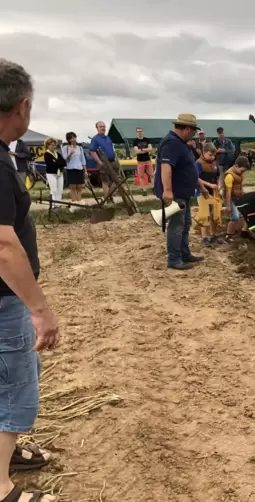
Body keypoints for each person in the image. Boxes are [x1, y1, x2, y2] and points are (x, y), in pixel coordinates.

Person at [0, 58, 60, 502]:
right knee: (17, 382)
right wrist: (41, 310)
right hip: (3, 300)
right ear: (21, 107)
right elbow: (3, 247)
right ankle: (2, 488)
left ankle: (5, 453)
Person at [153, 113, 207, 270]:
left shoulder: (181, 143)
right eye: (194, 131)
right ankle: (174, 259)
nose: (194, 135)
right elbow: (166, 167)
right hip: (175, 193)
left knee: (185, 224)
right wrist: (168, 190)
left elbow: (188, 169)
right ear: (188, 129)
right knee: (176, 225)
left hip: (184, 192)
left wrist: (201, 187)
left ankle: (184, 254)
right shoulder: (172, 143)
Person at [194, 143, 225, 246]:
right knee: (205, 214)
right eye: (210, 155)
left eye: (214, 155)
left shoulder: (214, 163)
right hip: (202, 192)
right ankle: (205, 237)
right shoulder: (198, 163)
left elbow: (218, 176)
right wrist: (209, 185)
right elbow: (196, 178)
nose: (212, 157)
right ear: (203, 152)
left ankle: (214, 235)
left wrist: (219, 184)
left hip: (213, 192)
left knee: (214, 213)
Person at [223, 156, 250, 242]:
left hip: (238, 197)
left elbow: (240, 185)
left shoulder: (239, 173)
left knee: (246, 212)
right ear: (236, 166)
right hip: (230, 198)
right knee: (235, 217)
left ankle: (244, 231)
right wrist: (228, 206)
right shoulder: (229, 176)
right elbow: (228, 192)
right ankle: (228, 235)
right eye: (242, 170)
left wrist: (243, 194)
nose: (243, 172)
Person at [89, 121, 119, 199]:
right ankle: (107, 198)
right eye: (101, 126)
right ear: (97, 128)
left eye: (104, 126)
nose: (103, 128)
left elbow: (112, 149)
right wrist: (99, 162)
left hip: (112, 161)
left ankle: (109, 195)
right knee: (105, 181)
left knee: (117, 179)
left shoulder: (108, 138)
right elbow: (92, 151)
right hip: (103, 162)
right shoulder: (95, 139)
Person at [62, 132, 87, 209]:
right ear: (68, 139)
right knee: (73, 186)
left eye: (74, 137)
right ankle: (74, 202)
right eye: (71, 138)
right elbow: (64, 160)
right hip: (70, 168)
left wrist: (85, 170)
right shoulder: (65, 148)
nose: (73, 139)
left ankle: (79, 202)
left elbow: (83, 159)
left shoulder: (80, 148)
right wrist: (70, 154)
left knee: (79, 186)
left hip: (79, 168)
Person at [42, 137, 66, 208]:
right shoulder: (46, 154)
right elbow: (50, 163)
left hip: (59, 173)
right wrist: (58, 163)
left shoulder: (58, 154)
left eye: (54, 145)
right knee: (54, 190)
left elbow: (64, 162)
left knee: (60, 189)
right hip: (51, 173)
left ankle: (58, 204)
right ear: (47, 145)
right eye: (52, 145)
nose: (53, 146)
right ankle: (53, 205)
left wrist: (57, 162)